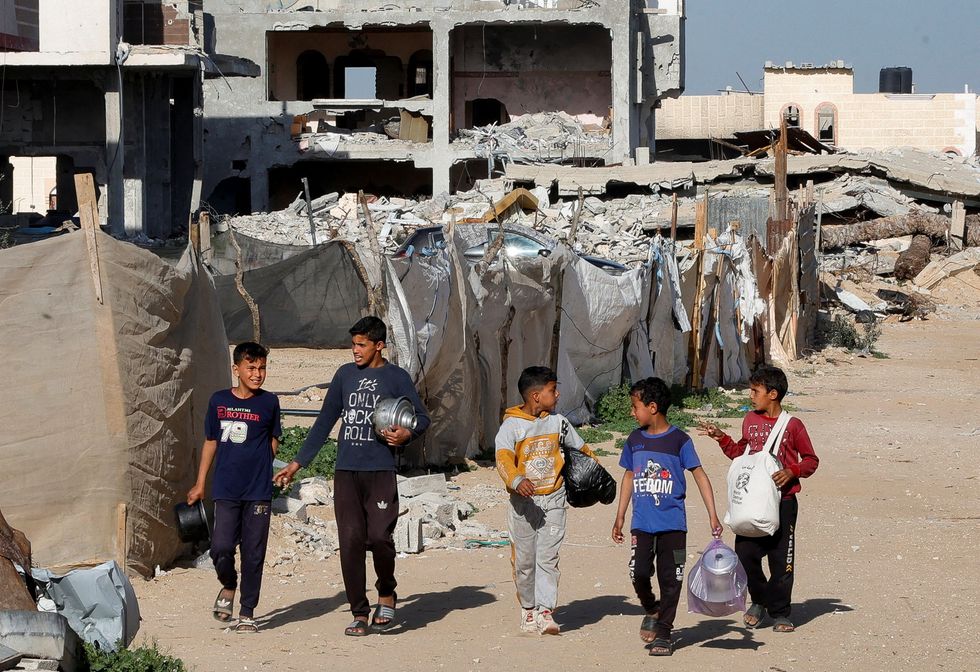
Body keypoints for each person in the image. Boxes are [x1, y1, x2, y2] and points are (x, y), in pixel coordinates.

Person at [273, 316, 430, 637]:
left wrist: (406, 435)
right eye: (353, 344)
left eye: (361, 345)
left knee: (380, 538)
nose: (355, 351)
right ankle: (360, 611)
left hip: (380, 472)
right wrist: (296, 463)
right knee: (351, 543)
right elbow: (323, 423)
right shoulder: (344, 375)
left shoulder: (396, 377)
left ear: (379, 345)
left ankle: (386, 592)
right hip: (346, 472)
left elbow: (422, 418)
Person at [699, 365, 819, 633]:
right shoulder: (750, 421)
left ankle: (780, 613)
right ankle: (759, 600)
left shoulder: (793, 426)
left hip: (783, 503)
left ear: (773, 394)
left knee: (781, 560)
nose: (750, 395)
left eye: (756, 391)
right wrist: (721, 438)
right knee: (745, 555)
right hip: (751, 503)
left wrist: (792, 471)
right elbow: (741, 455)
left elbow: (811, 460)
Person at [612, 377, 722, 657]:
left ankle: (664, 632)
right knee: (638, 573)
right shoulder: (634, 440)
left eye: (634, 407)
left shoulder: (679, 440)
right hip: (642, 525)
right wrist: (620, 516)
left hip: (674, 526)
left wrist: (713, 515)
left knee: (671, 579)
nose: (631, 413)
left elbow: (699, 475)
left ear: (652, 407)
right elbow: (628, 476)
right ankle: (651, 607)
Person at [495, 365, 599, 635]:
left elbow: (582, 449)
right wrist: (517, 481)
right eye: (553, 390)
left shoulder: (558, 422)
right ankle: (528, 610)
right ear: (536, 396)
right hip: (523, 506)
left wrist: (594, 473)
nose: (558, 394)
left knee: (548, 558)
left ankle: (545, 611)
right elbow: (503, 459)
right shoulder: (511, 426)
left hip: (553, 500)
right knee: (525, 562)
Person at [187, 341, 282, 633]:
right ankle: (229, 584)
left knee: (254, 553)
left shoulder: (269, 402)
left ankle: (247, 612)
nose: (257, 374)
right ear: (236, 369)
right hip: (226, 489)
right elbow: (211, 442)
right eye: (251, 367)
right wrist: (201, 483)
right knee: (221, 547)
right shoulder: (219, 401)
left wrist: (265, 466)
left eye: (262, 368)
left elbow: (274, 440)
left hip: (257, 493)